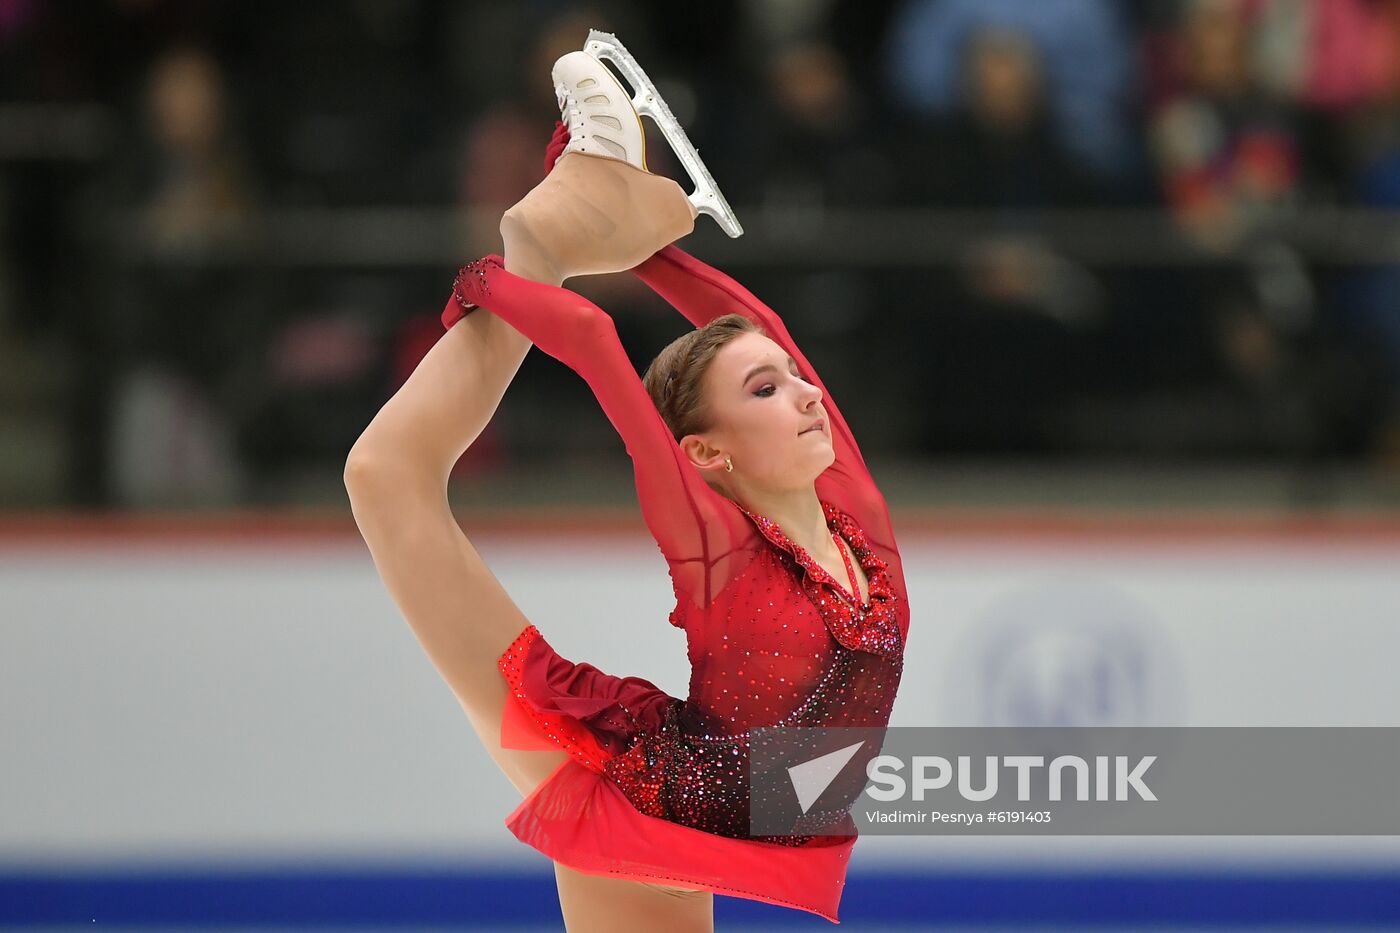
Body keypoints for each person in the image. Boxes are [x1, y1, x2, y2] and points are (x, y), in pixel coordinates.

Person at [345, 39, 909, 930]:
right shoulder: (718, 547)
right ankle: (554, 225)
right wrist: (507, 270)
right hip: (650, 804)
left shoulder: (860, 523)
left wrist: (656, 255)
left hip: (733, 814)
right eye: (766, 391)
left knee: (388, 477)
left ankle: (577, 208)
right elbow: (599, 349)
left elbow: (767, 327)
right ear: (710, 456)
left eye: (795, 381)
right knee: (384, 478)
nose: (808, 393)